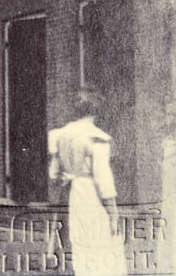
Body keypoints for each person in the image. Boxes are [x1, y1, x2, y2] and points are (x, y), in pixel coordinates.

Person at [48, 88, 126, 276]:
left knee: (79, 250)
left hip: (72, 197)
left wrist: (68, 176)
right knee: (101, 250)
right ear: (96, 110)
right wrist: (113, 213)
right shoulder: (96, 137)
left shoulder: (61, 135)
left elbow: (53, 174)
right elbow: (103, 179)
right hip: (92, 197)